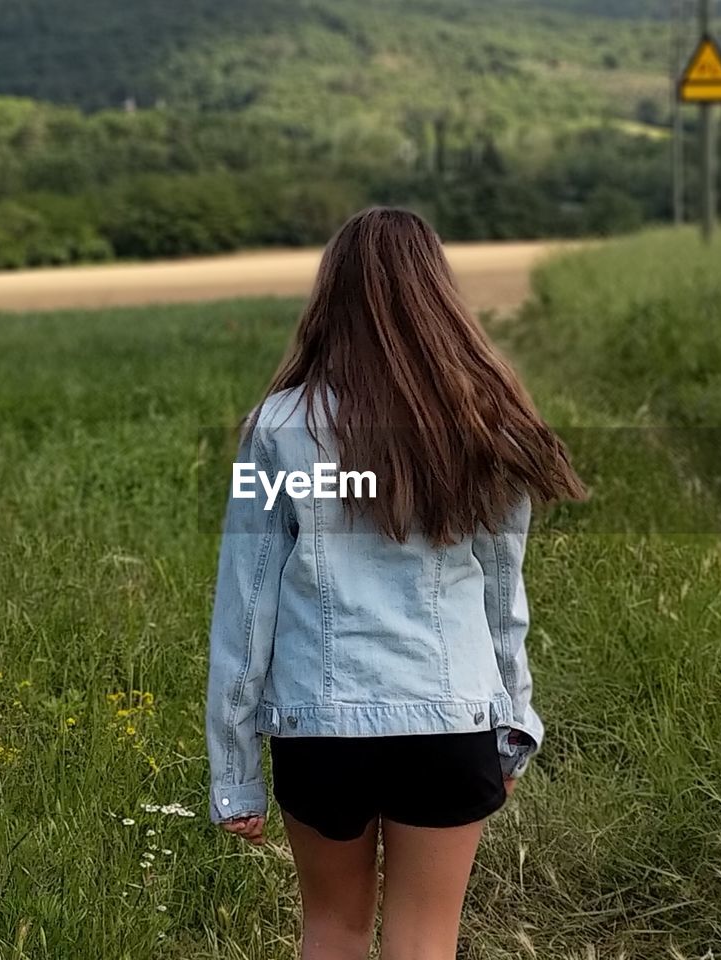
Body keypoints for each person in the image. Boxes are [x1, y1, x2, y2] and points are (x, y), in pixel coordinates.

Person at [205, 207, 585, 960]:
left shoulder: (274, 428)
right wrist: (515, 722)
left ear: (330, 299)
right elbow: (503, 596)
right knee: (424, 942)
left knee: (332, 929)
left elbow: (245, 610)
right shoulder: (485, 425)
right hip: (450, 719)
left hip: (320, 728)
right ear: (437, 295)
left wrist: (235, 772)